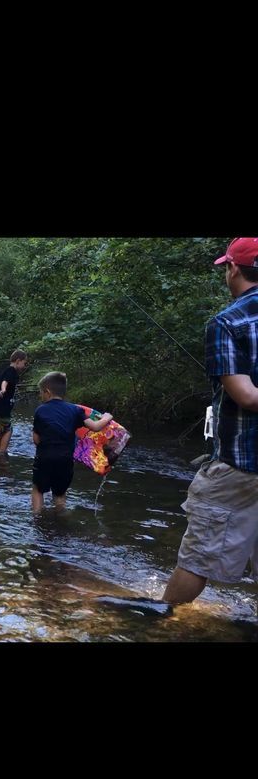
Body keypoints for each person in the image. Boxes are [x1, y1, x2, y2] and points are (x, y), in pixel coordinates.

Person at [162, 237, 258, 610]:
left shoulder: (227, 321)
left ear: (233, 268)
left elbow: (246, 396)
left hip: (240, 464)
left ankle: (159, 622)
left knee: (198, 557)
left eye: (226, 268)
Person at [31, 371, 112, 511]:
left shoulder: (40, 411)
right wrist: (106, 417)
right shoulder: (75, 410)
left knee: (38, 489)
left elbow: (36, 439)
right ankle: (61, 519)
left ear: (47, 392)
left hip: (45, 457)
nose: (40, 395)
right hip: (65, 459)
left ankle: (37, 519)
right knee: (60, 493)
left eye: (41, 392)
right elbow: (96, 427)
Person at [0, 350, 28, 452]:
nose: (25, 366)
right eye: (24, 363)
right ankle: (2, 452)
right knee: (8, 430)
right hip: (0, 406)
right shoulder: (11, 371)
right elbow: (5, 381)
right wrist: (3, 389)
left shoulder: (6, 371)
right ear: (18, 361)